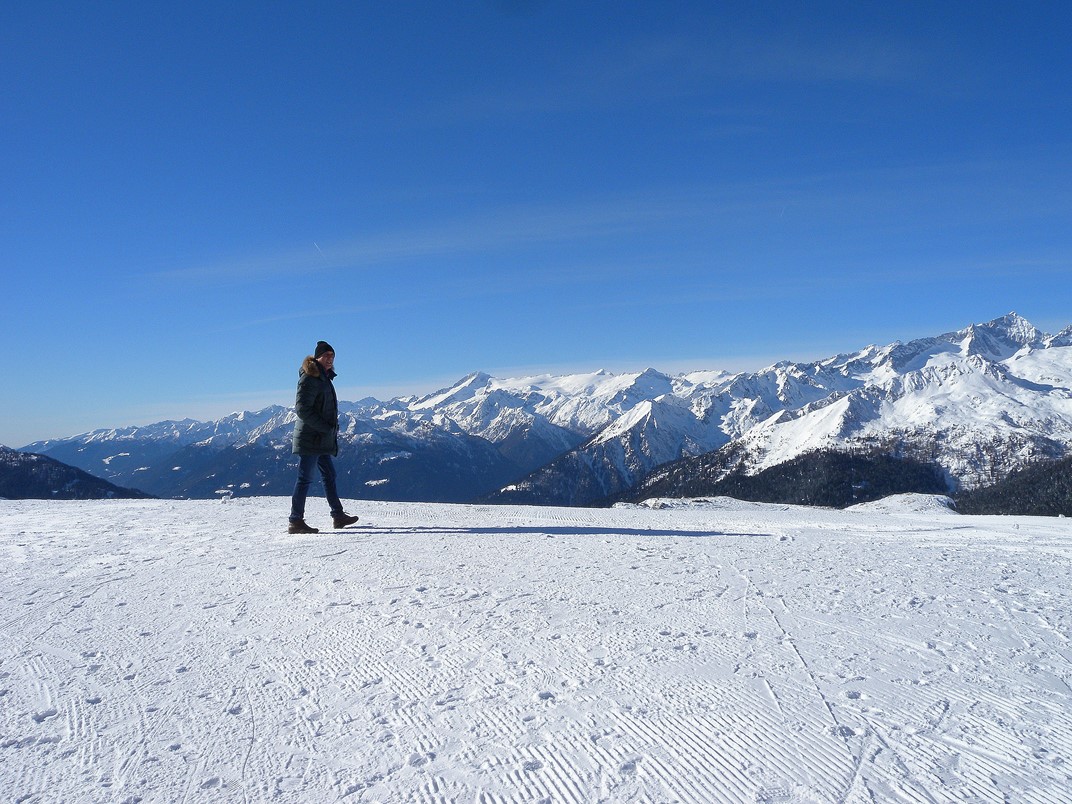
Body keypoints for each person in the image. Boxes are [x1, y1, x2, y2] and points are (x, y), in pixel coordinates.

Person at [288, 340, 360, 534]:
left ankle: (338, 515)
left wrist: (327, 430)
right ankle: (295, 520)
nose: (330, 359)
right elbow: (302, 409)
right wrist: (325, 428)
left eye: (332, 356)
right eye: (326, 356)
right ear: (317, 357)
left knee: (329, 475)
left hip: (320, 437)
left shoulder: (323, 377)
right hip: (311, 438)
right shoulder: (310, 378)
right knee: (305, 478)